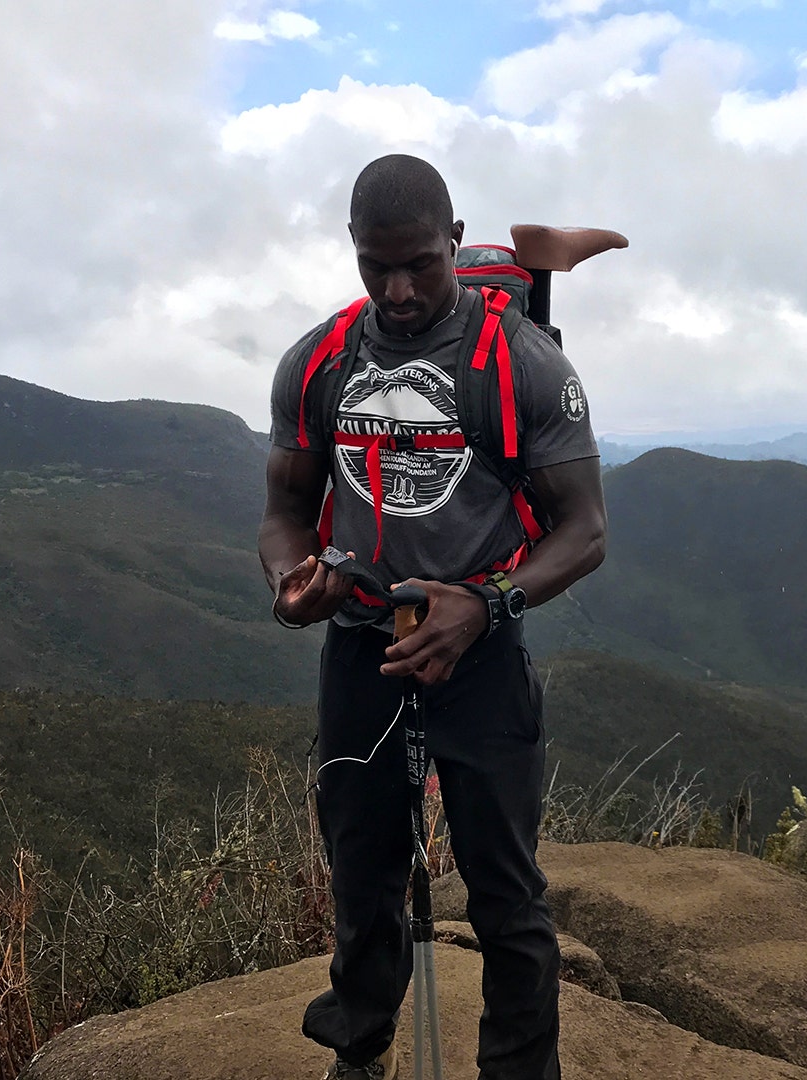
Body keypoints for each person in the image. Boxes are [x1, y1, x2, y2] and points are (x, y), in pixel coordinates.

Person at [260, 154, 606, 1080]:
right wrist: (292, 580)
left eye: (420, 263)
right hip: (364, 644)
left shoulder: (522, 363)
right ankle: (360, 1047)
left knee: (505, 890)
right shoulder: (319, 362)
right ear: (352, 248)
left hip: (478, 650)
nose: (399, 290)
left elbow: (585, 531)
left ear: (455, 240)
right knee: (360, 866)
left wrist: (486, 606)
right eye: (376, 267)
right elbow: (285, 510)